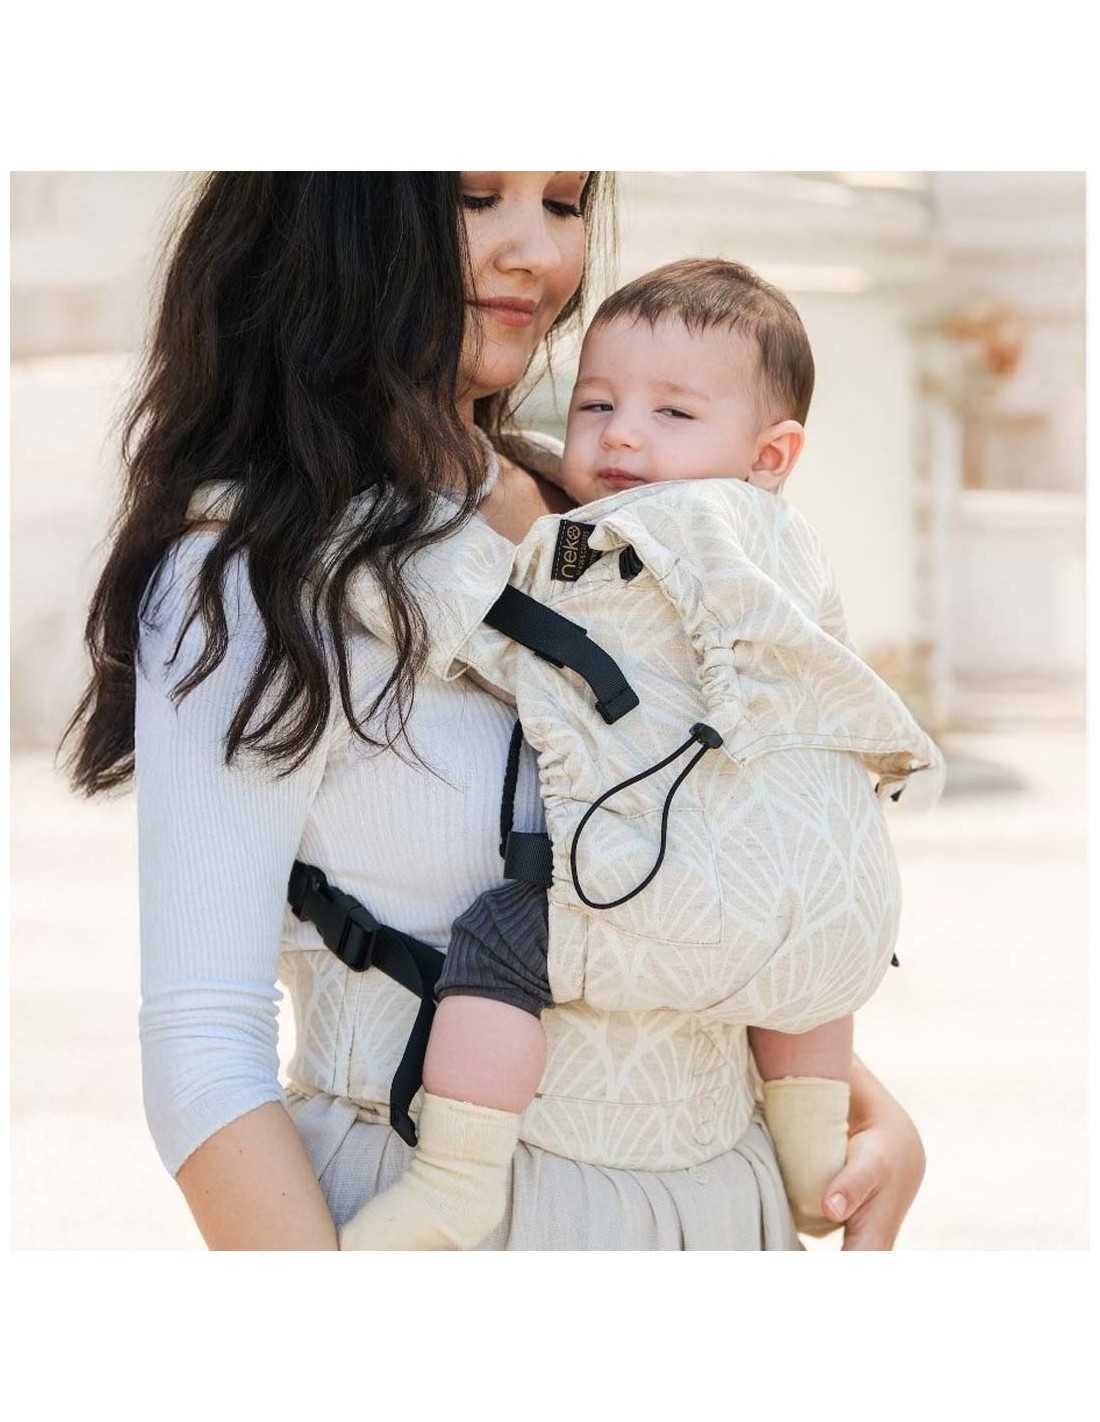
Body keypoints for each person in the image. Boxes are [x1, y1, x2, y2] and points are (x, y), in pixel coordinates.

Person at [64, 171, 926, 1250]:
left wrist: (861, 1107)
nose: (537, 252)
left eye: (563, 203)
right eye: (476, 199)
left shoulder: (620, 516)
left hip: (730, 1211)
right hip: (453, 1219)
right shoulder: (255, 572)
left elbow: (700, 878)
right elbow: (203, 1049)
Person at [338, 257, 941, 1250]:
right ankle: (813, 1161)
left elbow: (520, 638)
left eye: (671, 414)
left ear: (769, 452)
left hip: (657, 887)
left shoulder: (637, 536)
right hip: (832, 905)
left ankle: (454, 1181)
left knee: (498, 939)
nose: (621, 434)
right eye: (597, 404)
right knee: (796, 950)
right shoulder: (790, 548)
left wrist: (363, 574)